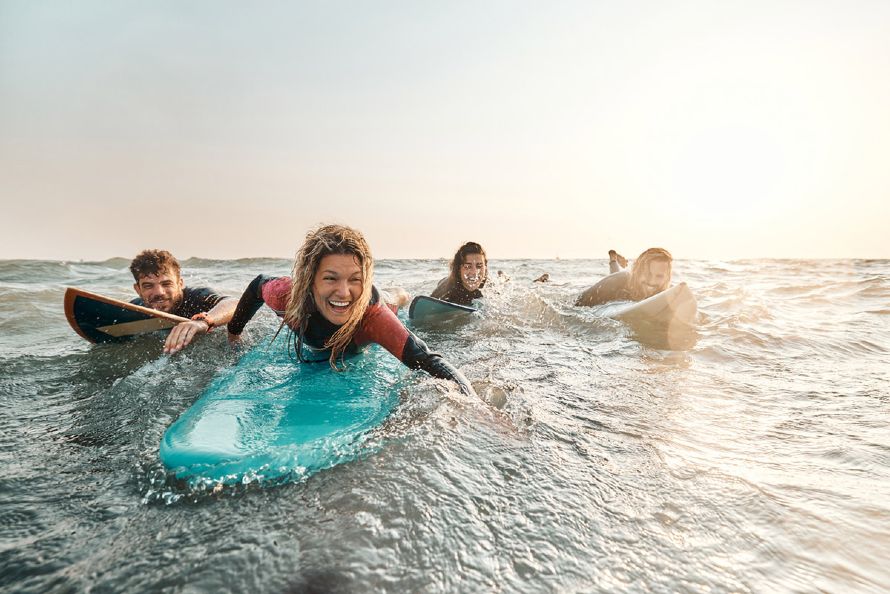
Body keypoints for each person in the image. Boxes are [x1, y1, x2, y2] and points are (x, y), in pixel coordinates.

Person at [225, 224, 477, 398]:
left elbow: (427, 359)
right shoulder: (287, 296)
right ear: (309, 281)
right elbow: (258, 285)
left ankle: (400, 292)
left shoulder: (374, 318)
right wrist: (234, 332)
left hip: (379, 303)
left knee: (392, 299)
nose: (343, 292)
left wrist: (475, 405)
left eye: (354, 279)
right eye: (330, 278)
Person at [130, 249, 237, 354]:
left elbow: (234, 303)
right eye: (148, 286)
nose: (159, 292)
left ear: (180, 284)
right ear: (138, 289)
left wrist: (203, 322)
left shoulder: (197, 298)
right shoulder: (134, 308)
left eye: (166, 284)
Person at [576, 247, 673, 307]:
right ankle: (613, 259)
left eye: (659, 276)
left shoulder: (668, 292)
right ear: (637, 272)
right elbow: (577, 304)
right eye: (648, 274)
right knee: (616, 279)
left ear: (667, 278)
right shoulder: (616, 281)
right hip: (618, 284)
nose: (652, 281)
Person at [430, 242, 487, 306]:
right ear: (458, 269)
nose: (475, 272)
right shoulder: (447, 293)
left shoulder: (490, 289)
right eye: (468, 267)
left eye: (479, 266)